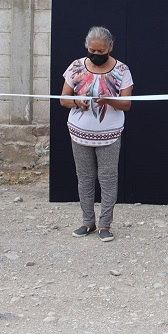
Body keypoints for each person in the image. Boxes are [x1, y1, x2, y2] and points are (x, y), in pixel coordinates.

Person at [60, 26, 133, 242]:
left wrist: (108, 100)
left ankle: (105, 224)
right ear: (86, 47)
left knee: (108, 179)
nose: (96, 55)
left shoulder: (122, 70)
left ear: (110, 48)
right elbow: (63, 99)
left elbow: (127, 104)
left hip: (109, 135)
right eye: (92, 50)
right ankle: (87, 221)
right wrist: (77, 102)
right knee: (85, 178)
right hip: (79, 133)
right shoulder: (75, 67)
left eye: (101, 51)